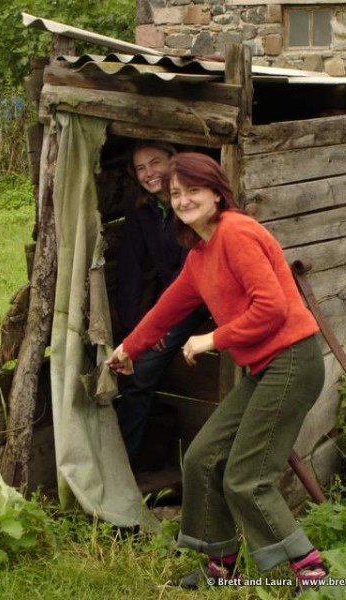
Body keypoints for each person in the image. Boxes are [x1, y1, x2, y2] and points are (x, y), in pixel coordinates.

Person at [107, 152, 328, 595]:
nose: (184, 199)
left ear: (215, 191)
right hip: (264, 367)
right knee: (200, 457)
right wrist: (127, 349)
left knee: (247, 477)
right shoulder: (200, 251)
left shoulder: (236, 232)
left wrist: (212, 339)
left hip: (292, 360)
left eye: (193, 190)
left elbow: (272, 308)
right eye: (176, 193)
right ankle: (221, 566)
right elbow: (168, 308)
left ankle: (312, 572)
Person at [115, 141, 207, 461]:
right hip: (173, 295)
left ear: (173, 161)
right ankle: (130, 461)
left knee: (140, 373)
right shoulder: (143, 211)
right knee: (133, 368)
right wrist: (135, 325)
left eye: (155, 163)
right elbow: (128, 268)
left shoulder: (189, 203)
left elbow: (189, 274)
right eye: (140, 168)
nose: (149, 173)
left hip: (199, 293)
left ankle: (125, 458)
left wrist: (159, 324)